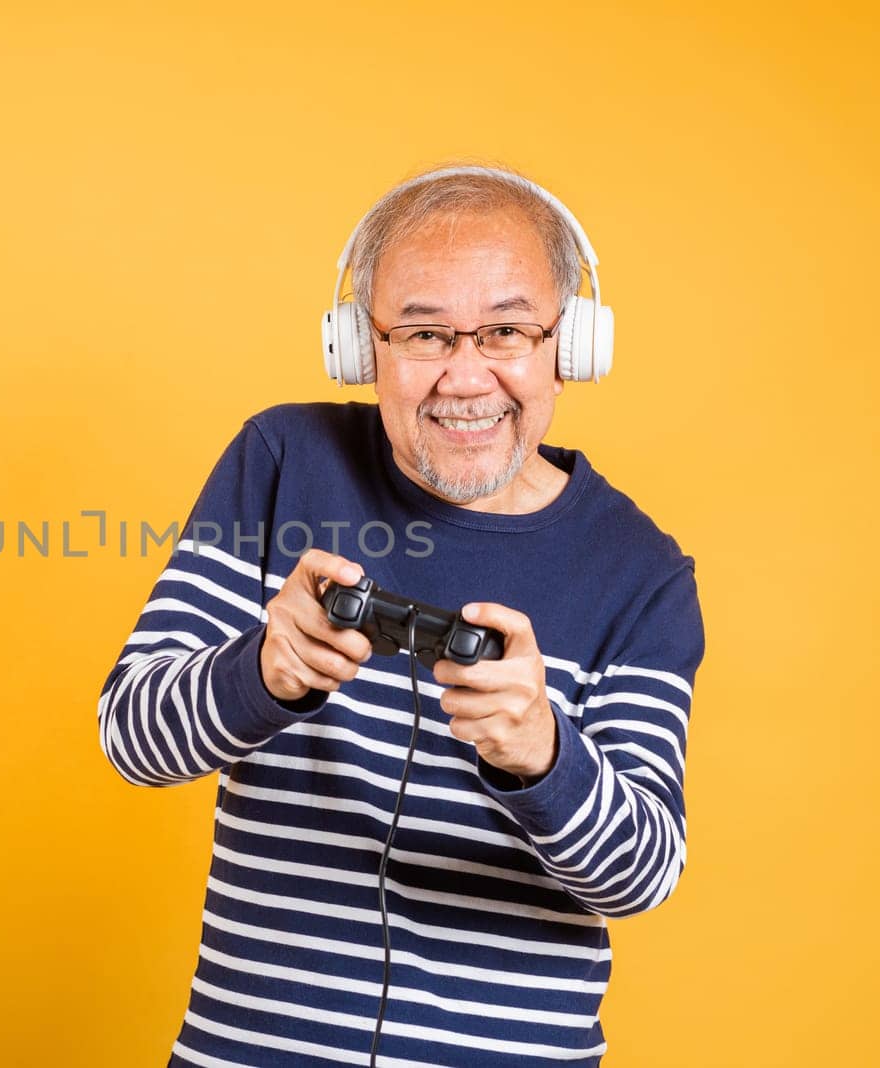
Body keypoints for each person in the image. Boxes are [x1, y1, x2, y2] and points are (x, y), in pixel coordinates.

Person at [97, 164, 706, 1067]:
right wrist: (264, 671)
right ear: (359, 346)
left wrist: (542, 752)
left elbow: (641, 877)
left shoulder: (641, 572)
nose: (466, 377)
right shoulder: (281, 461)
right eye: (423, 333)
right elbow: (130, 740)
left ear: (569, 346)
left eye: (506, 330)